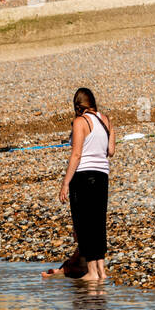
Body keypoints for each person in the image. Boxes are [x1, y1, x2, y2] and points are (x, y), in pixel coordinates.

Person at [53, 87, 114, 282]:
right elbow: (110, 151)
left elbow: (77, 154)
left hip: (83, 177)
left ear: (77, 106)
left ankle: (91, 272)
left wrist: (65, 183)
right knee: (98, 223)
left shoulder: (80, 122)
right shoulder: (106, 120)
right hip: (102, 176)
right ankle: (101, 272)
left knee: (84, 224)